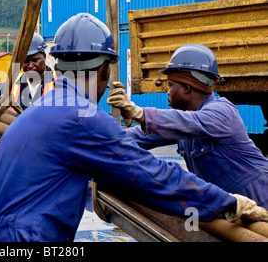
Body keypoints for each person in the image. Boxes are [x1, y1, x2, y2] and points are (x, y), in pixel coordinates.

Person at [0, 14, 267, 242]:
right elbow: (152, 174)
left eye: (171, 84)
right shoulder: (82, 117)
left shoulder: (51, 106)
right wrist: (225, 201)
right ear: (104, 70)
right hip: (20, 239)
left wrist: (134, 120)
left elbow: (137, 145)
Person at [107, 43, 268, 209]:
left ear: (187, 87)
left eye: (170, 85)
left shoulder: (221, 112)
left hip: (261, 200)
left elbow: (189, 122)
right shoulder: (183, 125)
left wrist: (139, 112)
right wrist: (100, 138)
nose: (167, 92)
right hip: (233, 208)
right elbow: (138, 137)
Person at [0, 33, 57, 110]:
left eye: (34, 60)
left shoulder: (59, 81)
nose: (30, 65)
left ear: (44, 57)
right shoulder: (12, 83)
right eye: (25, 61)